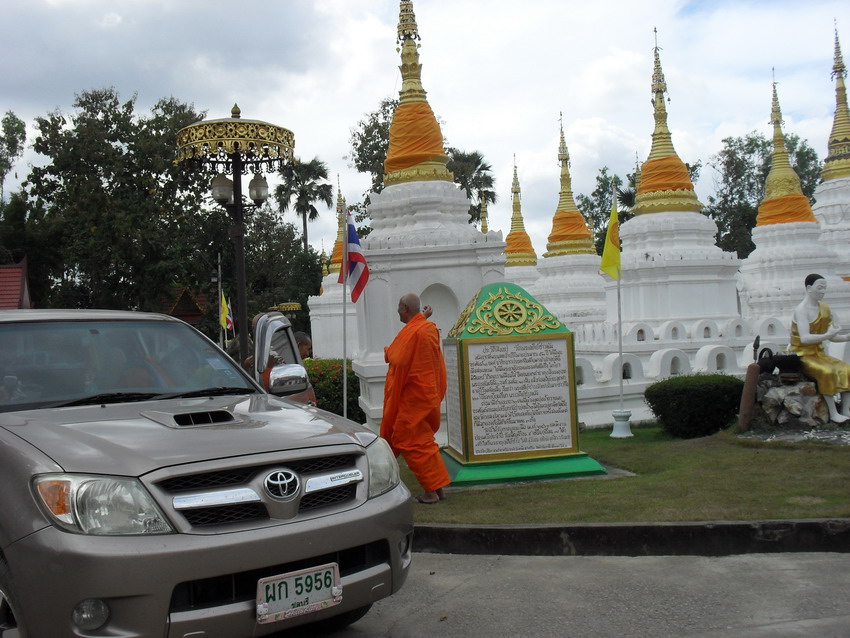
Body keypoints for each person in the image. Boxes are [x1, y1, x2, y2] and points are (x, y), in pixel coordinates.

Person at [381, 293, 450, 504]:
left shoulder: (419, 329)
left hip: (414, 398)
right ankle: (437, 487)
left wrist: (390, 353)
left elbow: (398, 358)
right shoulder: (426, 328)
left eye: (399, 308)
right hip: (427, 394)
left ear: (405, 309)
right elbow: (415, 335)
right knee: (424, 442)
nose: (397, 311)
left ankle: (431, 492)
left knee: (407, 439)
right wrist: (424, 316)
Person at [789, 273, 850, 423]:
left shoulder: (825, 308)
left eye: (825, 288)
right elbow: (805, 338)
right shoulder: (801, 310)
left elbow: (832, 336)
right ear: (809, 288)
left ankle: (845, 409)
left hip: (819, 353)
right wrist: (827, 334)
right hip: (802, 354)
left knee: (846, 369)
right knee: (827, 371)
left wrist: (846, 337)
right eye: (819, 288)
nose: (822, 291)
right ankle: (833, 413)